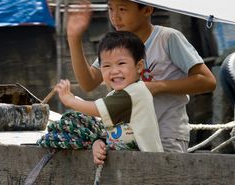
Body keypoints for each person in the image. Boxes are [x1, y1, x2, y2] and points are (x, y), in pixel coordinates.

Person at [66, 0, 216, 153]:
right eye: (111, 9)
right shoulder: (119, 46)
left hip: (166, 134)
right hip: (128, 136)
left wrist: (157, 86)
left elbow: (207, 81)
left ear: (147, 10)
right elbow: (88, 83)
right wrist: (73, 38)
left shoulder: (167, 38)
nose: (115, 17)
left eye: (122, 9)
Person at [37, 31, 163, 164]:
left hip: (148, 163)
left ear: (139, 66)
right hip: (128, 163)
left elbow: (96, 109)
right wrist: (98, 142)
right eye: (107, 65)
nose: (114, 71)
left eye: (121, 63)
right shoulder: (114, 95)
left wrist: (70, 100)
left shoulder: (135, 92)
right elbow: (106, 130)